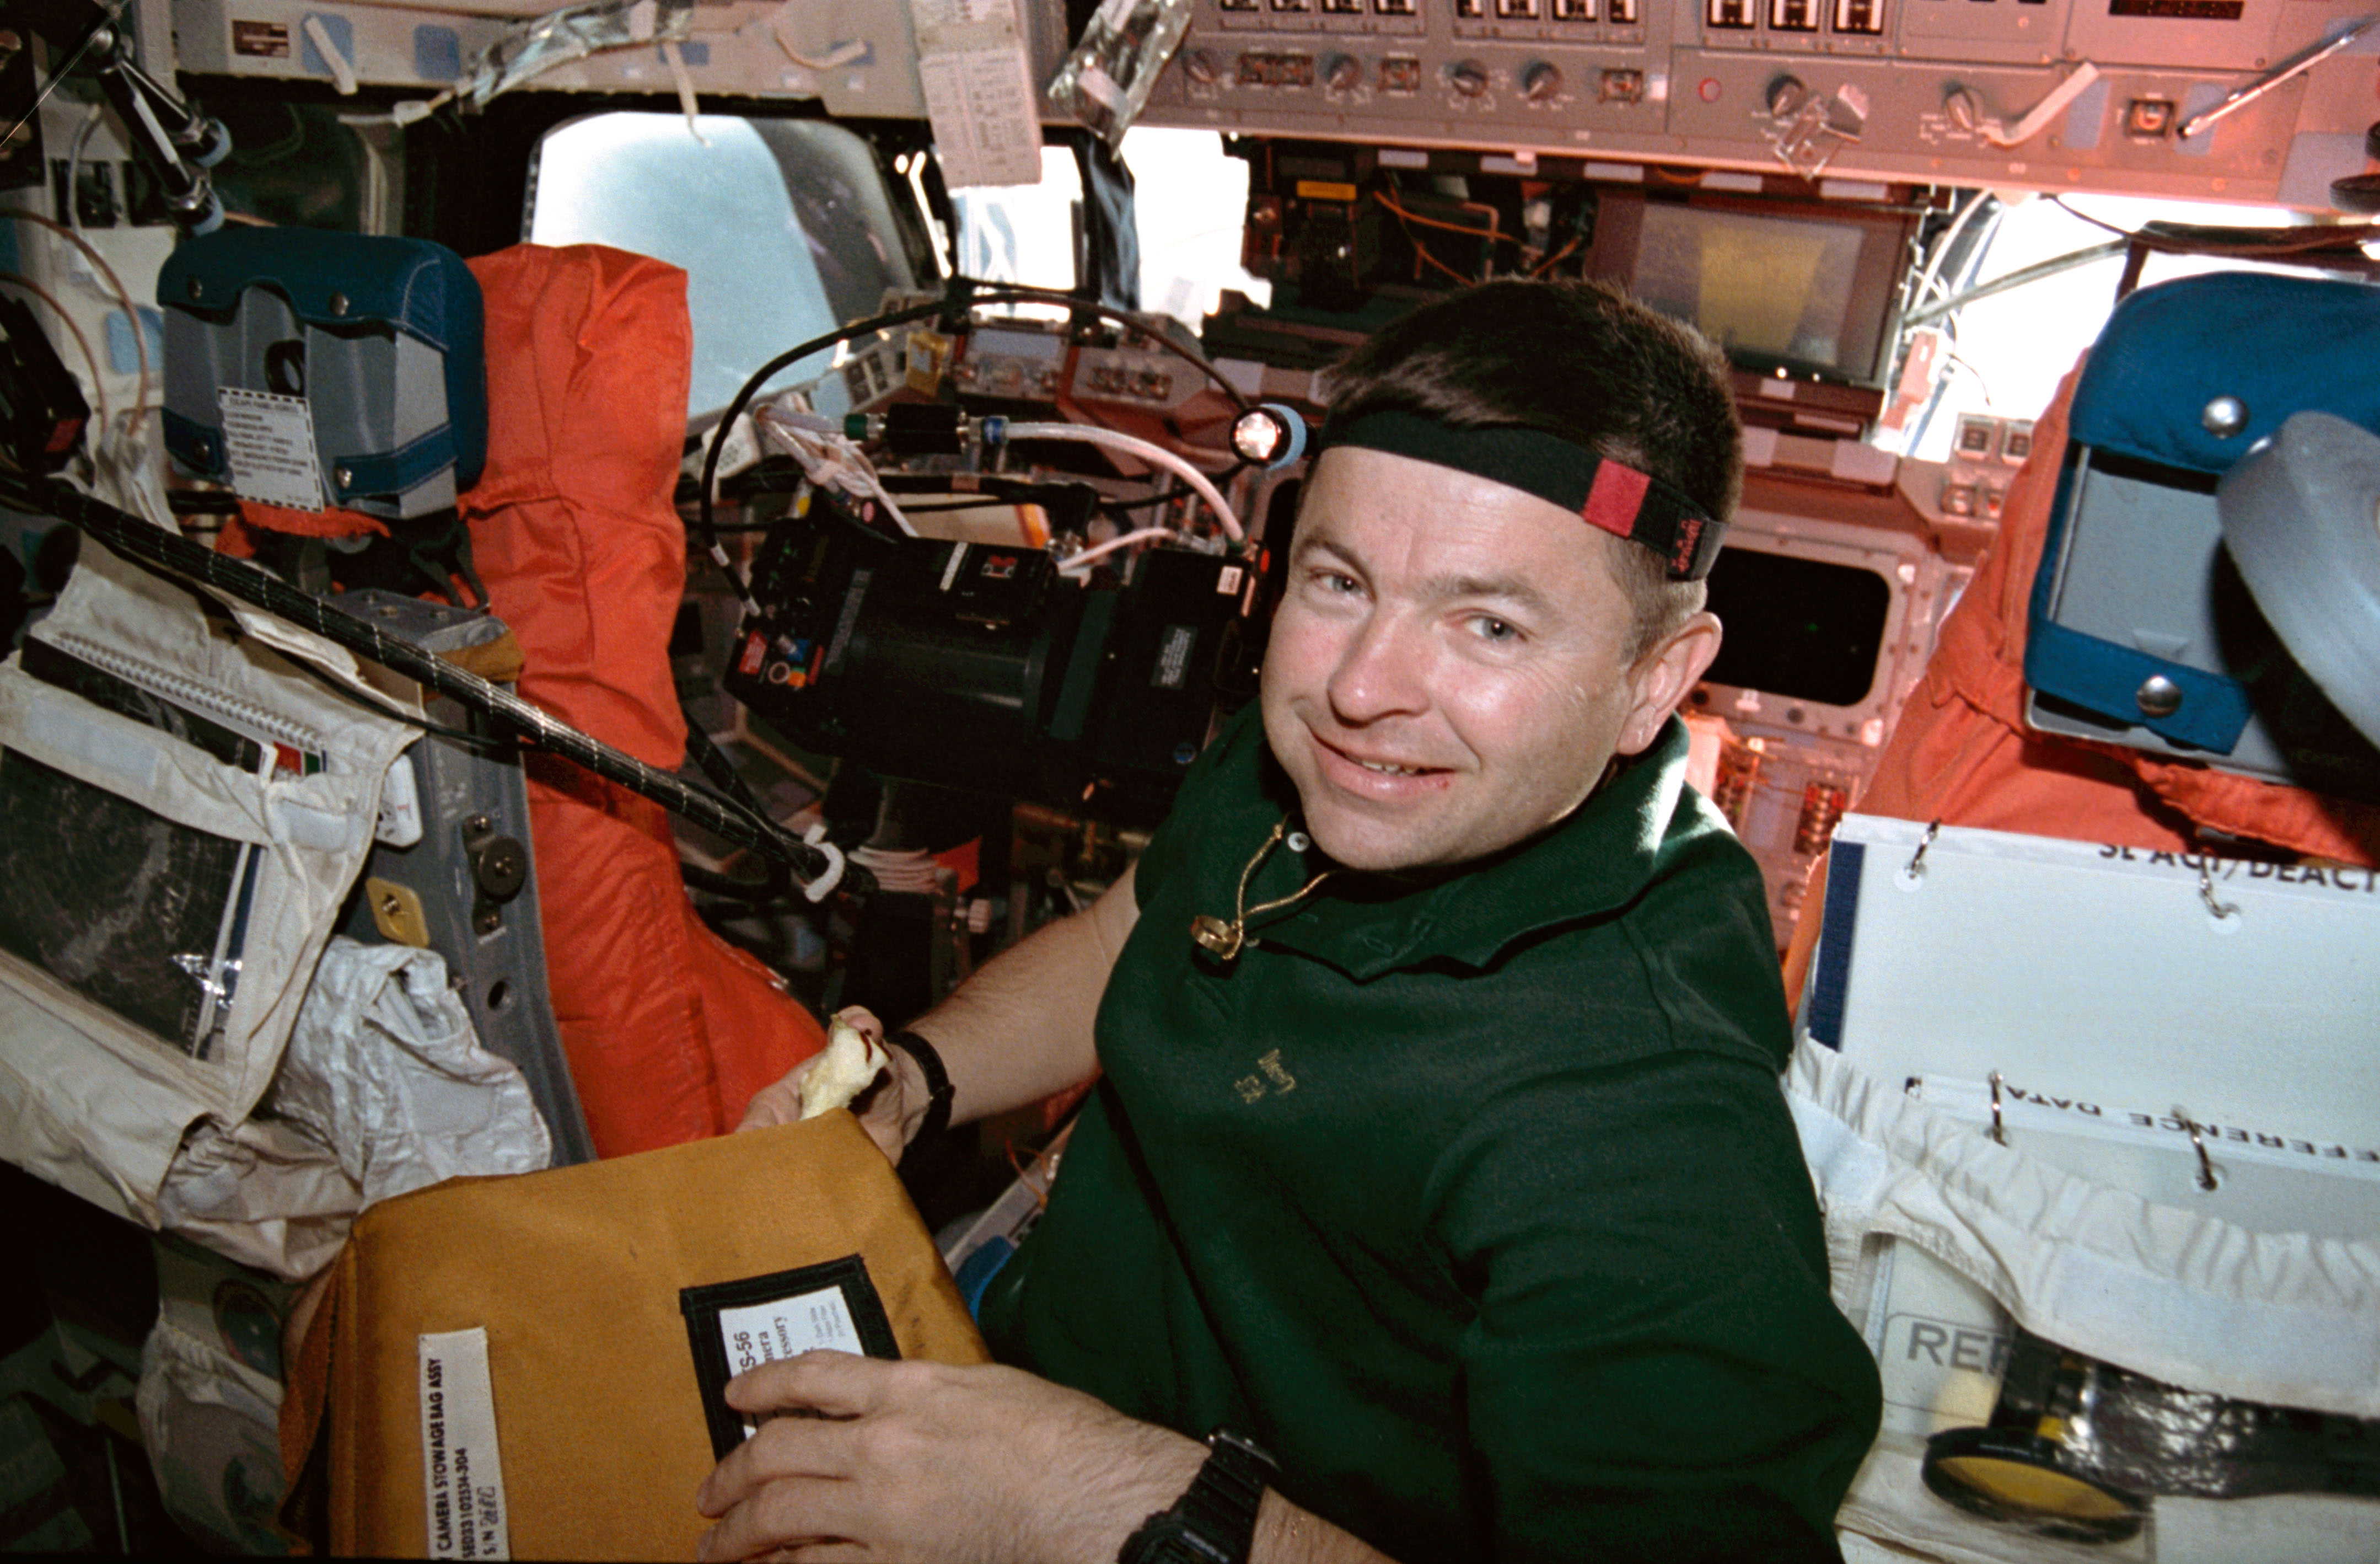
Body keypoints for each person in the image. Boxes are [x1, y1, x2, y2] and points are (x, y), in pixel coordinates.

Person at [701, 278, 1883, 1563]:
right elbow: (1126, 937)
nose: (1359, 689)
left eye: (1486, 623)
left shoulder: (1641, 1118)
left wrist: (1098, 1499)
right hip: (1017, 1374)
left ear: (1651, 679)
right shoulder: (1325, 768)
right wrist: (922, 1083)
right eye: (1337, 581)